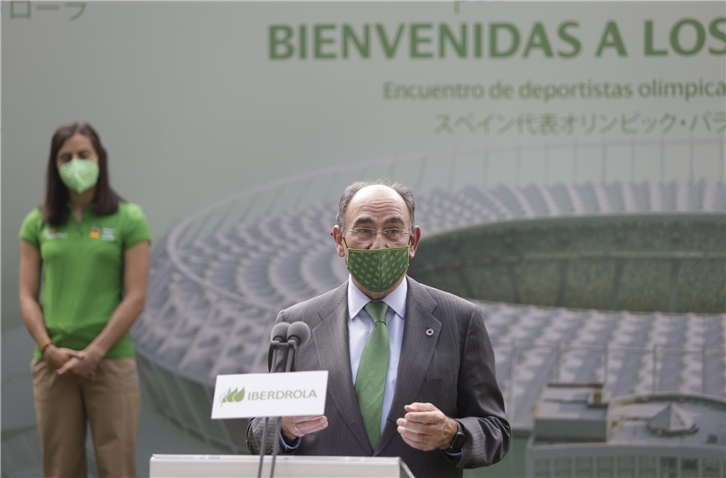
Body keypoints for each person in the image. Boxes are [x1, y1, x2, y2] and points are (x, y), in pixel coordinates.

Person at [246, 179, 510, 478]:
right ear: (339, 241)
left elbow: (495, 432)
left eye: (393, 230)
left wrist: (452, 433)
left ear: (412, 242)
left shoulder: (460, 320)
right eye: (364, 230)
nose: (379, 244)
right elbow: (259, 433)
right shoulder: (296, 325)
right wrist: (283, 429)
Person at [18, 121, 150, 478]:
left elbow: (136, 297)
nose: (75, 163)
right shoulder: (37, 222)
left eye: (83, 154)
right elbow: (27, 297)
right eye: (66, 157)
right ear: (54, 165)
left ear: (99, 159)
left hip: (109, 360)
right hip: (53, 362)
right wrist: (48, 348)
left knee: (117, 466)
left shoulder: (129, 218)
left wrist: (94, 352)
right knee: (60, 467)